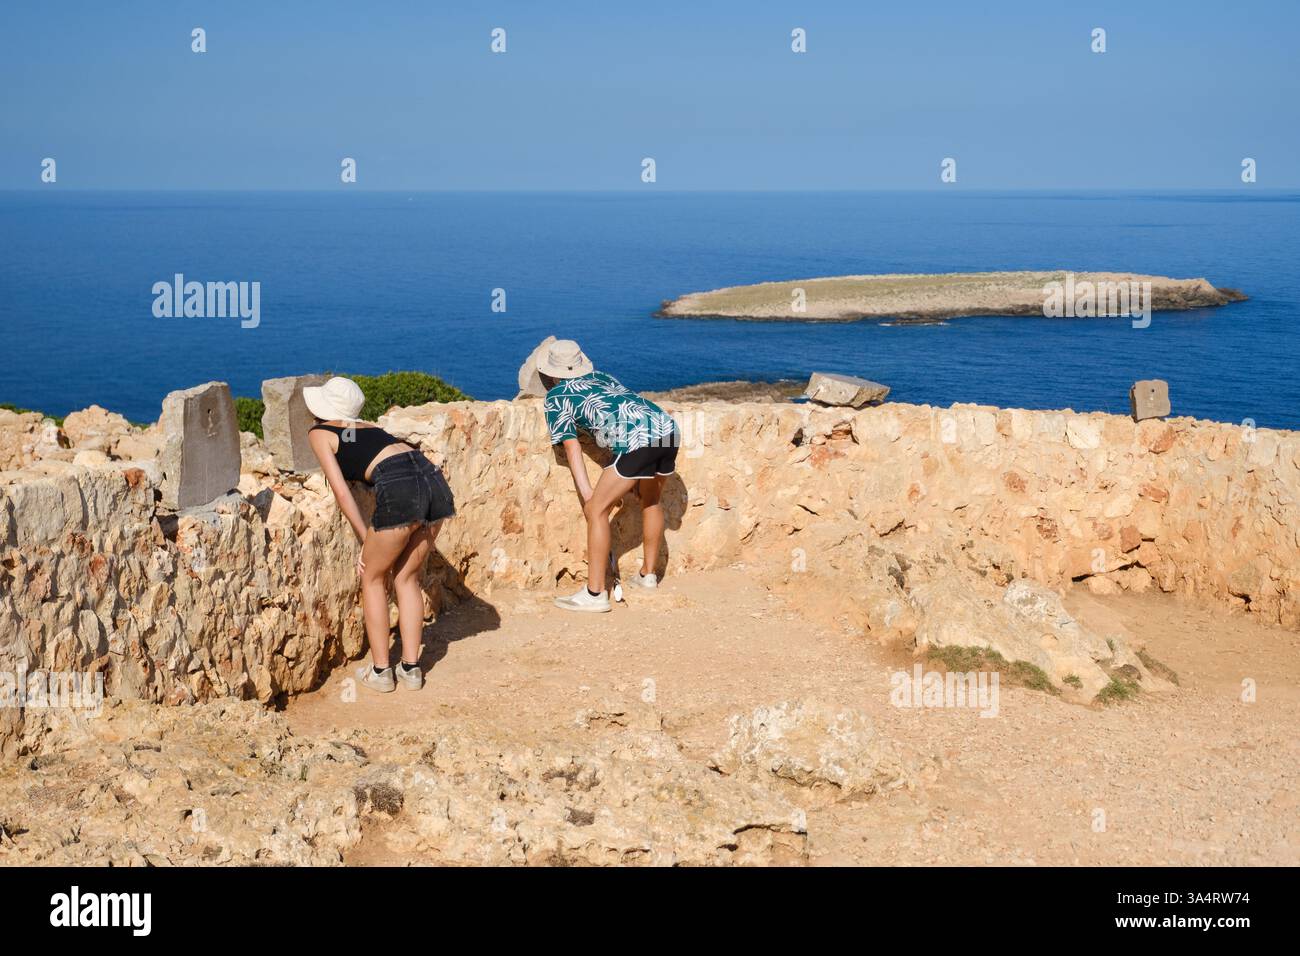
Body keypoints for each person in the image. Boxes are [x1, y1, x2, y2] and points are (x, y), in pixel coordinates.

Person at [304, 376, 455, 693]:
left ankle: (381, 671)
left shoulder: (319, 433)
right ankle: (412, 670)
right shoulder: (370, 428)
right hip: (434, 481)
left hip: (401, 488)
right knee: (406, 578)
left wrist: (364, 539)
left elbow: (343, 493)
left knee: (372, 577)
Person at [537, 340, 680, 612]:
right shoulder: (601, 377)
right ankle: (648, 575)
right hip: (667, 429)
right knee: (650, 500)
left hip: (639, 442)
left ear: (551, 373)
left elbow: (572, 446)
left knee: (597, 510)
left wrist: (589, 497)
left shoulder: (556, 397)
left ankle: (594, 594)